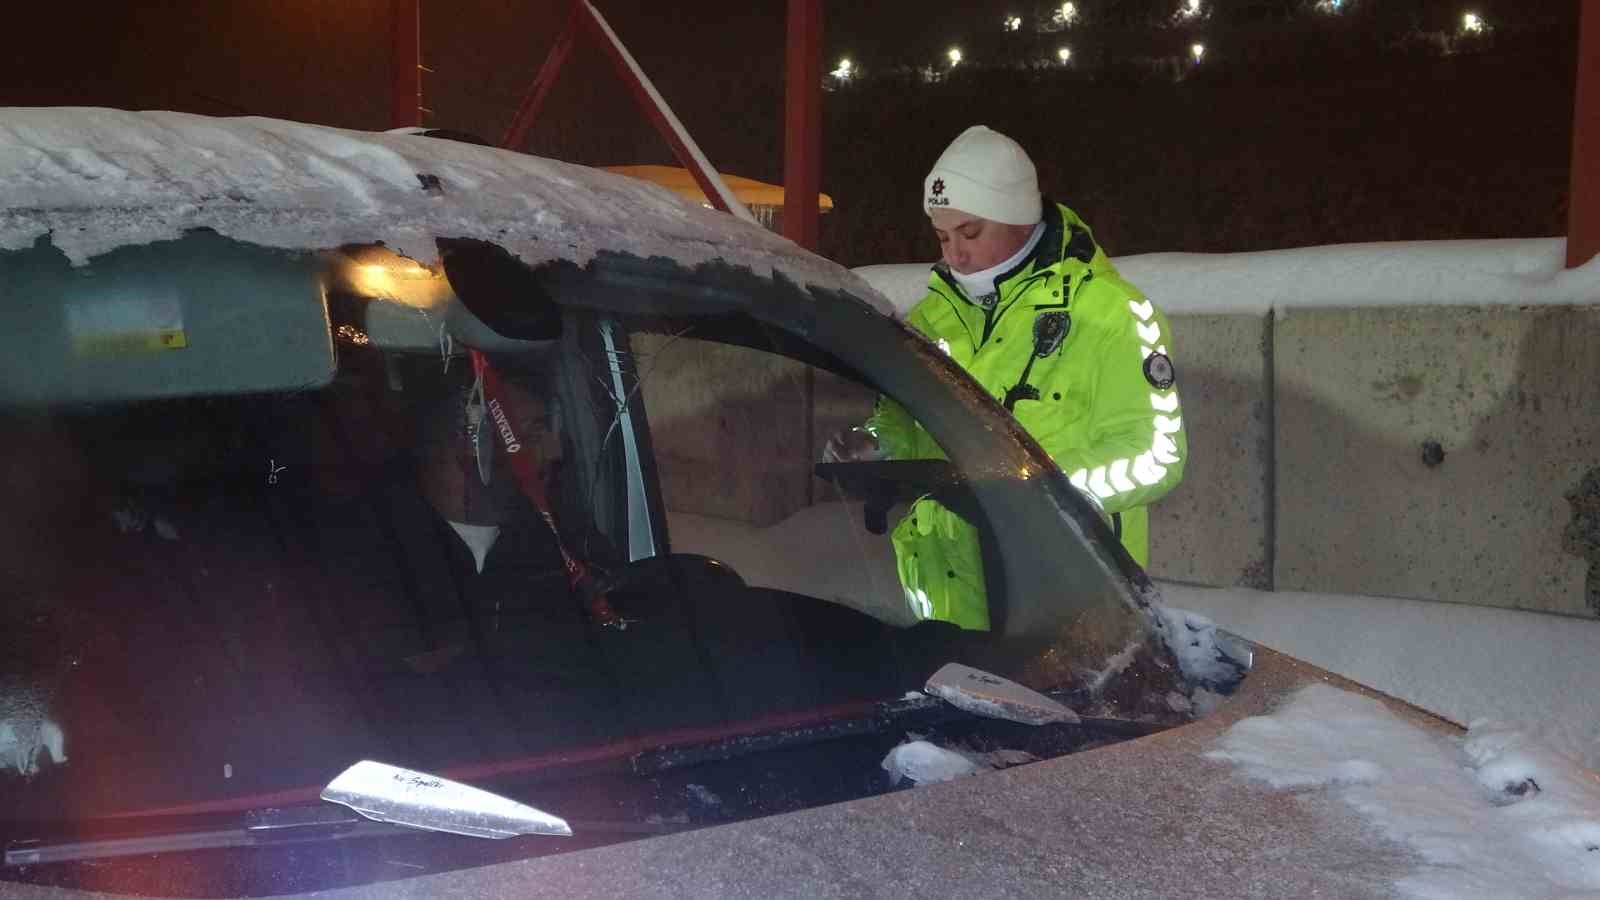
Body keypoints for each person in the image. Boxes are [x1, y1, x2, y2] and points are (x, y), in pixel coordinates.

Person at [828, 125, 1187, 631]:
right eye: (943, 236)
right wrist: (876, 444)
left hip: (1072, 609)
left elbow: (1157, 456)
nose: (955, 255)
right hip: (947, 606)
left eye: (970, 233)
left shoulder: (1112, 313)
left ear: (1019, 216)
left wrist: (1033, 492)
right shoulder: (931, 319)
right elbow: (906, 423)